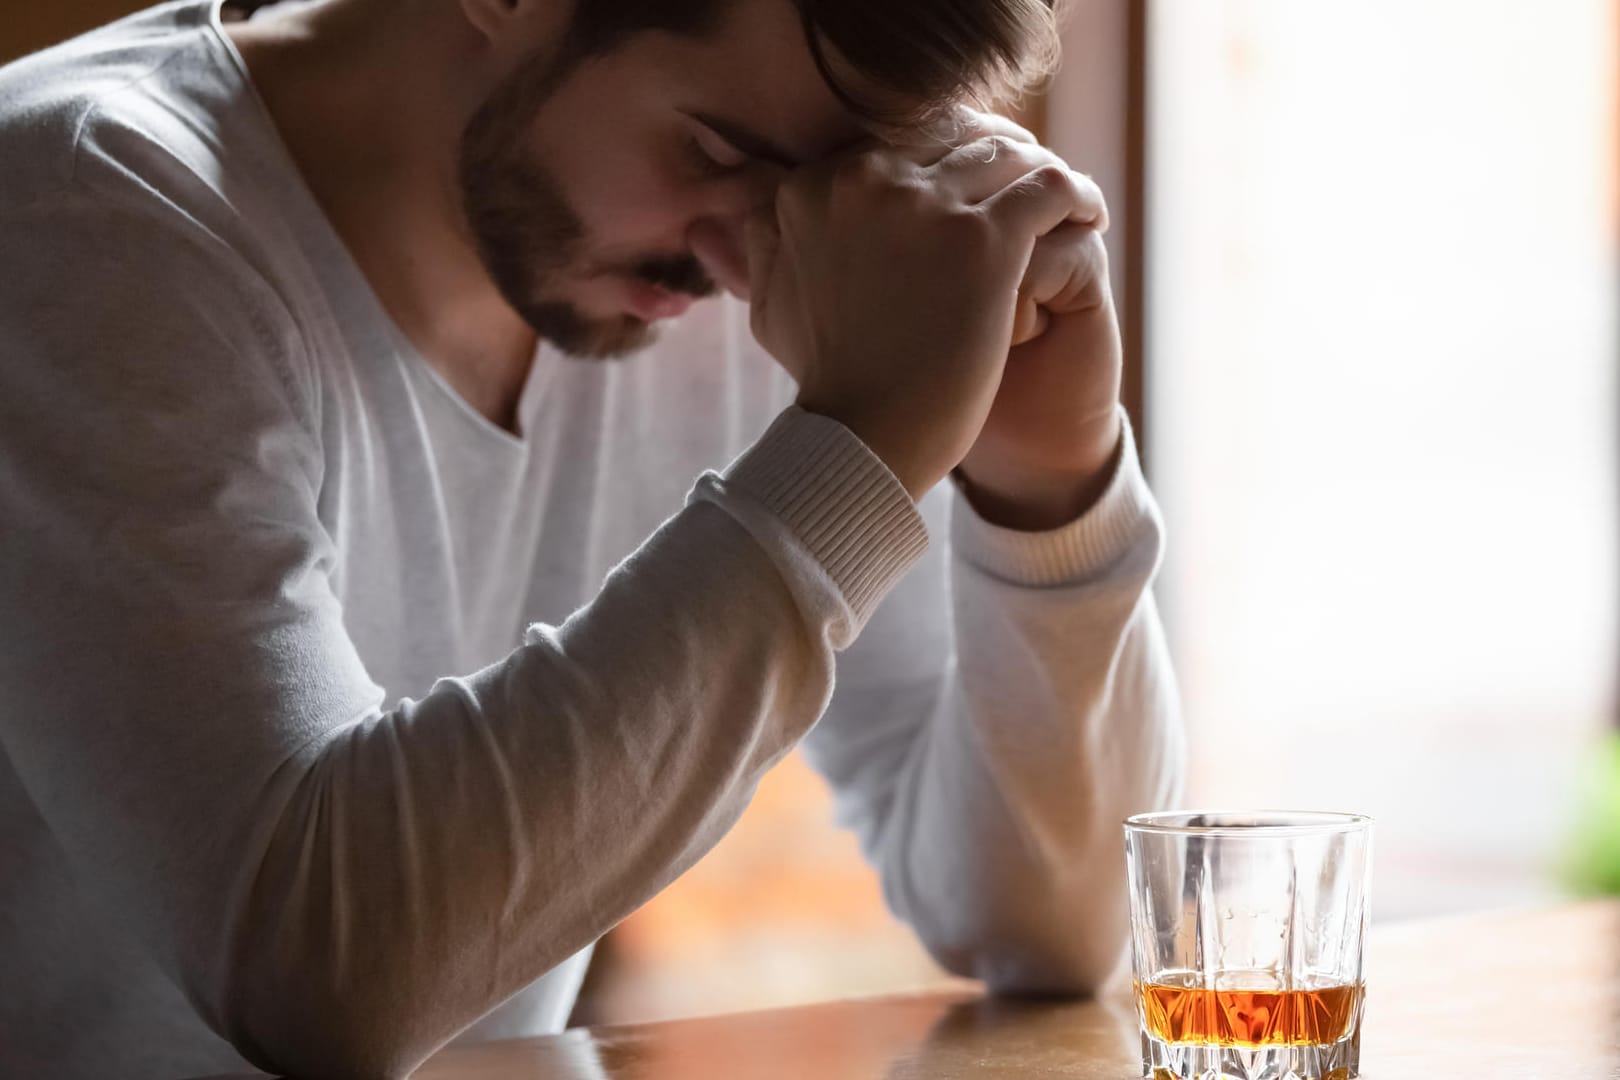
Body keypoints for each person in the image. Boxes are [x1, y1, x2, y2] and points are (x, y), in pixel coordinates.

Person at [0, 0, 1184, 1076]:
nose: (735, 263)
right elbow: (317, 970)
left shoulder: (735, 283)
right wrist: (854, 456)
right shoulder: (87, 203)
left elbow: (1046, 926)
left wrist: (1051, 488)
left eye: (803, 190)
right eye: (715, 151)